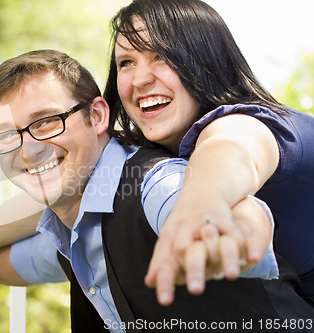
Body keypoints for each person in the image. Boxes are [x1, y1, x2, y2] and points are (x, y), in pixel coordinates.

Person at [0, 50, 314, 332]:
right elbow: (37, 261)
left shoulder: (154, 185)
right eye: (7, 134)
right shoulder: (76, 221)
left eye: (46, 122)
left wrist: (229, 231)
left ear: (97, 115)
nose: (29, 148)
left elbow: (206, 210)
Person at [101, 0, 314, 307]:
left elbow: (231, 150)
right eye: (126, 63)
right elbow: (74, 183)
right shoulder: (148, 154)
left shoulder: (251, 124)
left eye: (161, 55)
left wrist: (199, 207)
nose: (140, 79)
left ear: (206, 59)